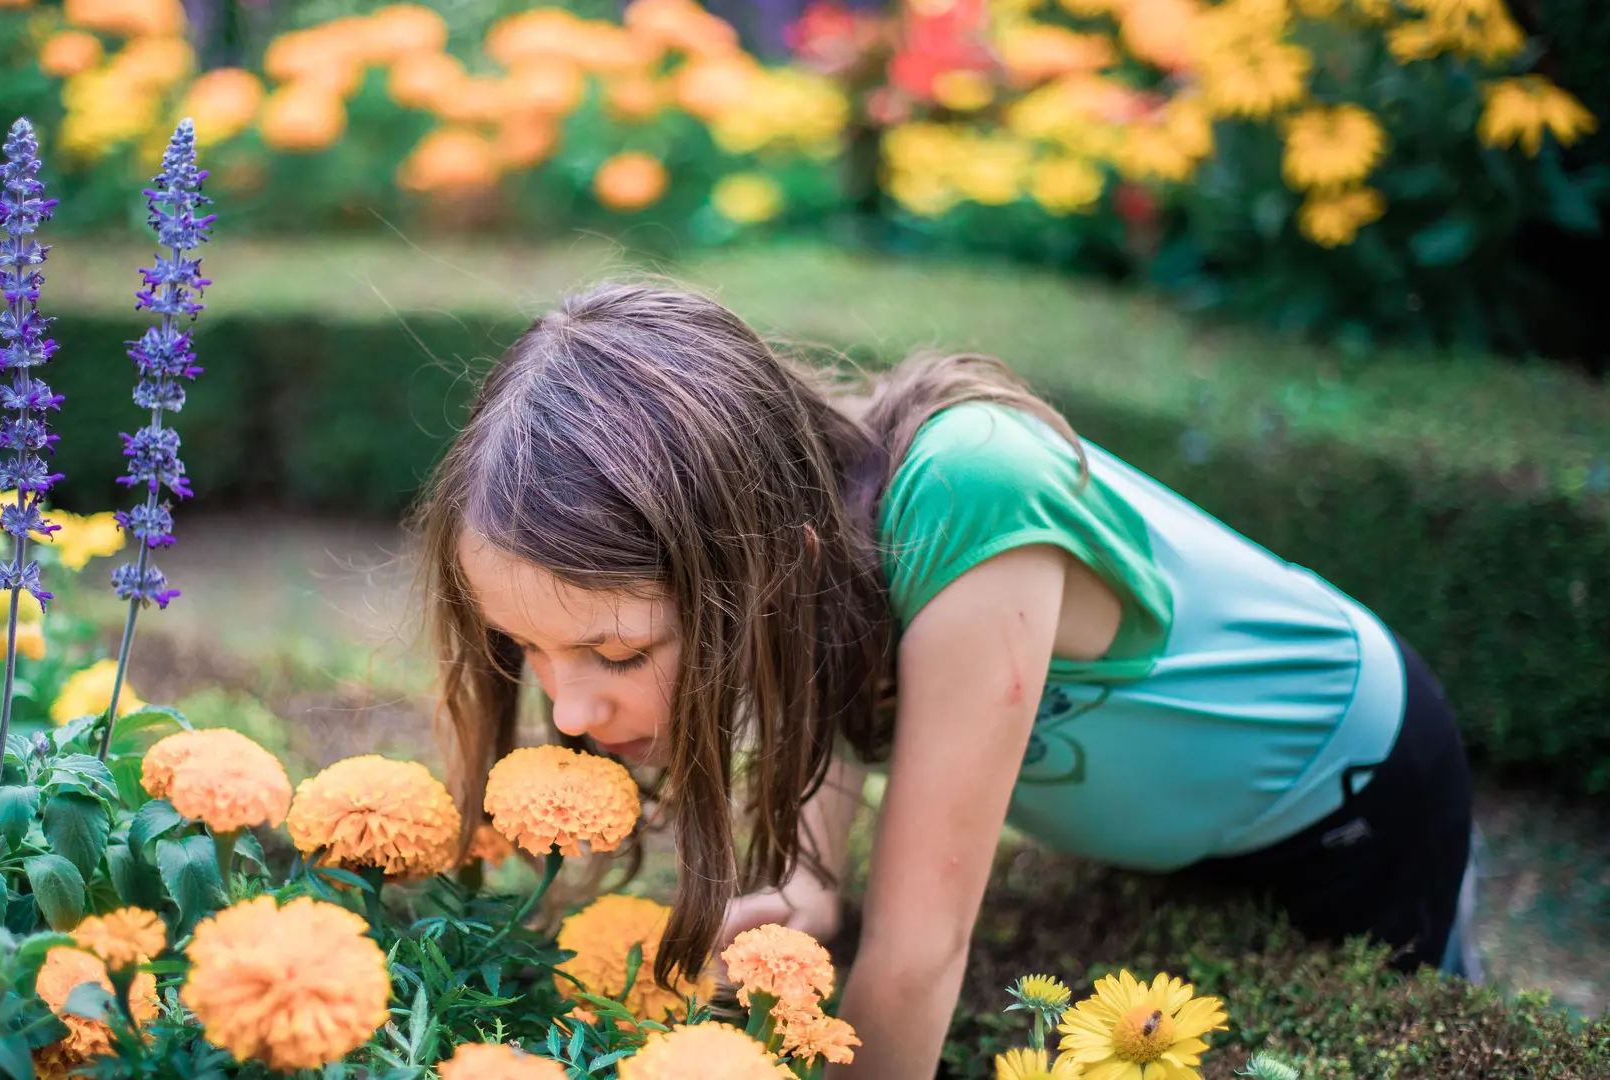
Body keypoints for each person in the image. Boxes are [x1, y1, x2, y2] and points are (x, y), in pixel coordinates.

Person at [415, 283, 1477, 1078]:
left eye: (618, 653)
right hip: (1189, 825)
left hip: (1357, 790)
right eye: (527, 649)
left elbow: (922, 956)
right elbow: (822, 660)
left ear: (763, 559)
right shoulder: (818, 541)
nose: (570, 710)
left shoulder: (974, 494)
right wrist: (812, 878)